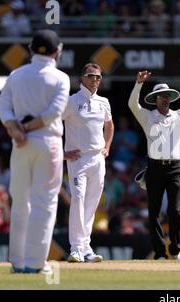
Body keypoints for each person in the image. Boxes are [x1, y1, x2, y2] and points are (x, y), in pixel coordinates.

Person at [0, 29, 70, 273]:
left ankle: (17, 262)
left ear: (30, 49)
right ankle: (35, 263)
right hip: (47, 141)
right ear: (57, 51)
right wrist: (25, 128)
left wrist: (15, 131)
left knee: (20, 202)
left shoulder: (16, 74)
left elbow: (2, 107)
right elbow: (53, 114)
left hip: (20, 144)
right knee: (45, 202)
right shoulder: (60, 78)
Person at [128, 68, 180, 260]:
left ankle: (175, 249)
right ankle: (159, 252)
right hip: (154, 168)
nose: (165, 99)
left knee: (175, 210)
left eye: (167, 96)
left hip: (175, 168)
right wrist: (139, 84)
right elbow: (132, 104)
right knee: (154, 212)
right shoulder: (147, 116)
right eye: (161, 96)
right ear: (155, 99)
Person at [63, 63, 114, 263]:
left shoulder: (104, 102)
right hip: (78, 158)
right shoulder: (71, 101)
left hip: (97, 158)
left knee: (91, 204)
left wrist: (107, 147)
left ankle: (85, 248)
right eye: (91, 76)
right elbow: (54, 123)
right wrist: (62, 152)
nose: (95, 80)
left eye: (98, 77)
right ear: (82, 78)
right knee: (78, 200)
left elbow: (109, 125)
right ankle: (75, 248)